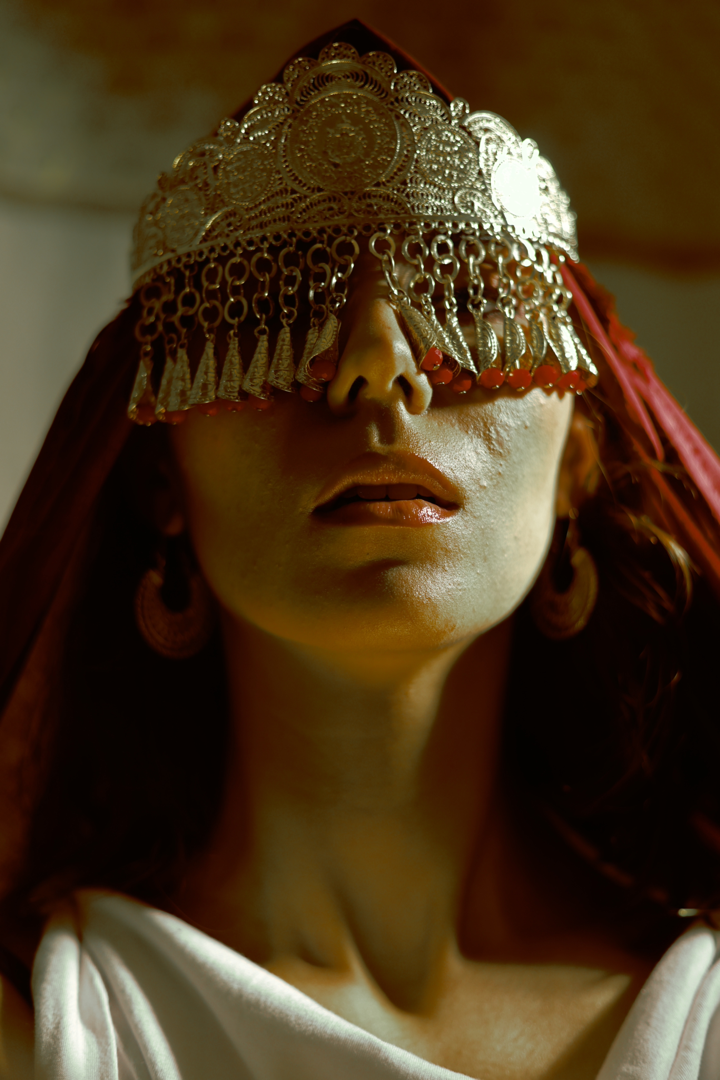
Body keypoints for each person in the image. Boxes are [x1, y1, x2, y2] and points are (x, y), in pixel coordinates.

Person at [1, 19, 720, 1080]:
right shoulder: (44, 1027)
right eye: (277, 311)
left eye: (466, 304)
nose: (377, 369)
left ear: (577, 461)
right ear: (162, 481)